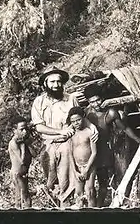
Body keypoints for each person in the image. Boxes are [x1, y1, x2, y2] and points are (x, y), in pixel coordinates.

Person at [31, 66, 98, 206]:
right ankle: (53, 197)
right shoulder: (39, 102)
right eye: (52, 82)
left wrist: (92, 126)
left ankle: (67, 202)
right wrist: (59, 131)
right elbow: (39, 127)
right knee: (51, 177)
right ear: (45, 84)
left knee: (67, 174)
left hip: (68, 142)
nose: (56, 85)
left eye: (59, 81)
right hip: (49, 143)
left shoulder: (71, 99)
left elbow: (80, 116)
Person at [85, 94, 140, 207]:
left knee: (103, 183)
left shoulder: (110, 113)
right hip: (88, 149)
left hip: (104, 150)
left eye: (98, 100)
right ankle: (91, 206)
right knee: (89, 183)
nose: (96, 104)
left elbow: (124, 128)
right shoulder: (86, 112)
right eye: (92, 101)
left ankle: (99, 207)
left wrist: (138, 140)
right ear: (88, 102)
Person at [67, 107, 98, 208]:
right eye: (73, 121)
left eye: (78, 120)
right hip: (77, 167)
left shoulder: (89, 132)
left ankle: (92, 214)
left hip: (89, 166)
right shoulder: (71, 134)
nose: (76, 123)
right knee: (78, 193)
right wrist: (75, 171)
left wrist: (87, 169)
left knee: (90, 191)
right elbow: (70, 154)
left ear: (83, 118)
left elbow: (94, 152)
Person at [8, 115, 32, 209]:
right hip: (17, 174)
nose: (25, 131)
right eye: (21, 129)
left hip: (23, 174)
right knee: (24, 198)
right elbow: (22, 160)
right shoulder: (13, 143)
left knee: (22, 197)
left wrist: (27, 143)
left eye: (26, 129)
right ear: (14, 130)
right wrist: (22, 145)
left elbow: (34, 154)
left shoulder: (24, 141)